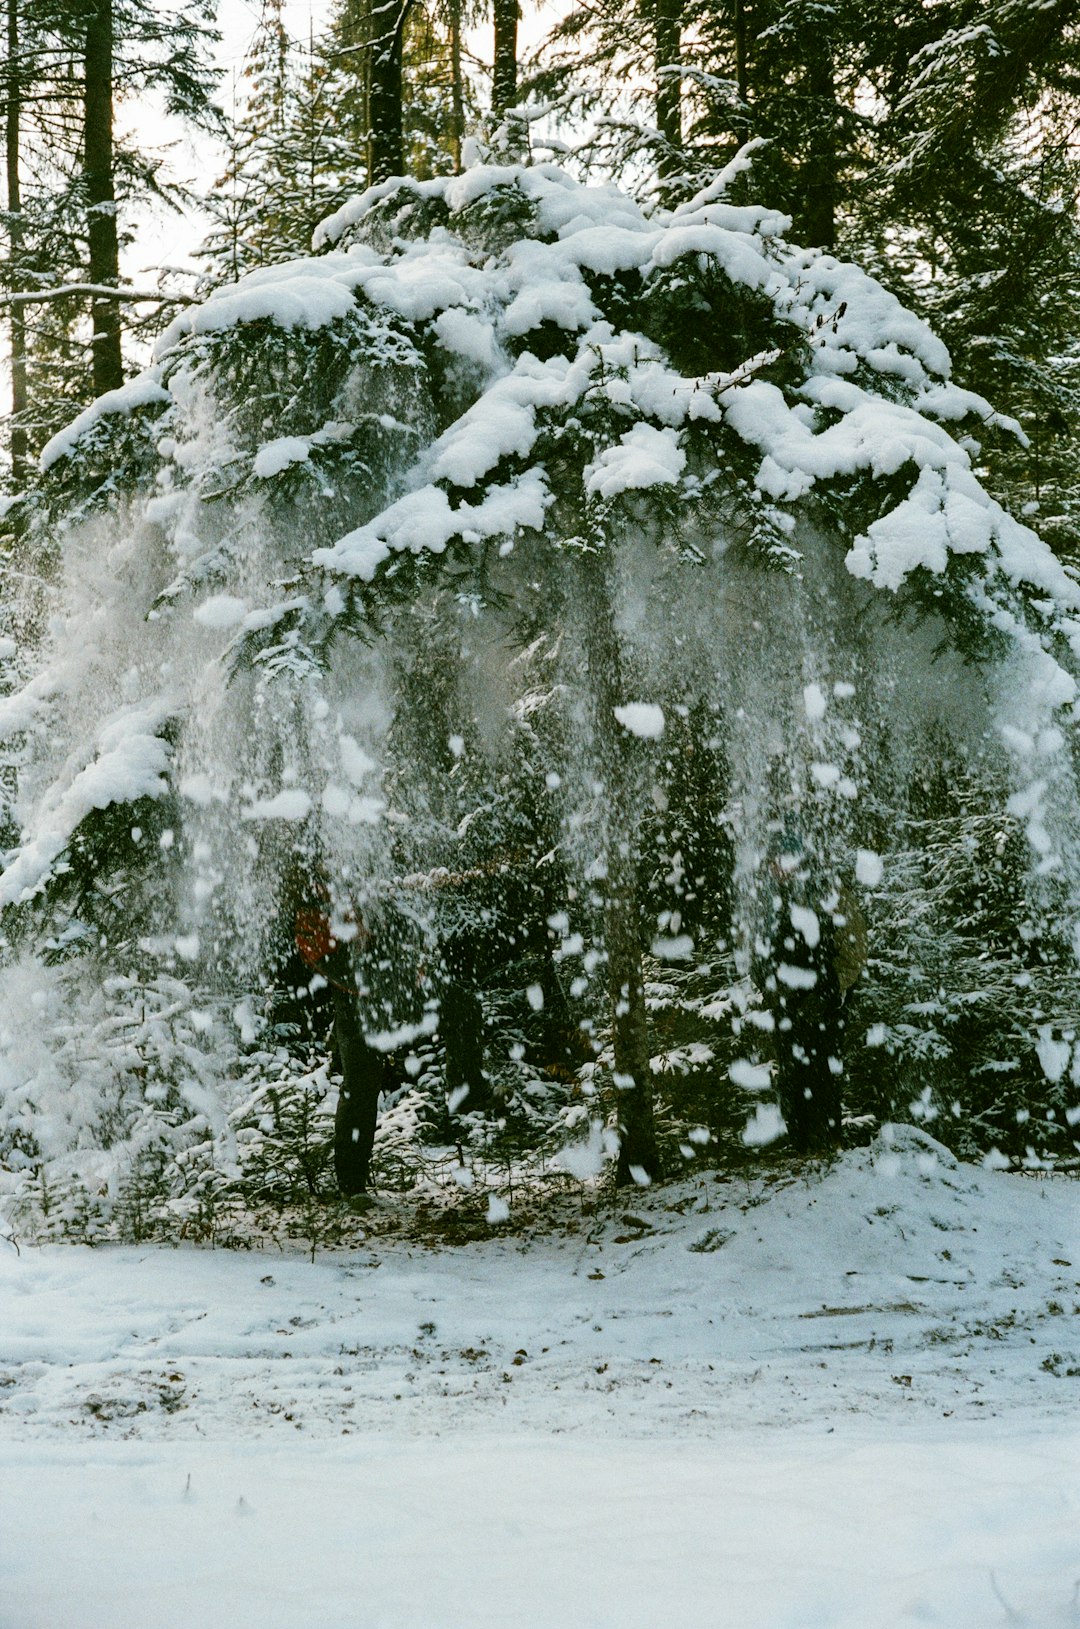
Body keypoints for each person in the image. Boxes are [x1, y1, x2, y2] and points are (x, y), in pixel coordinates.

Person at [755, 827, 866, 1153]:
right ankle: (801, 1146)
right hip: (786, 1004)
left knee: (822, 1079)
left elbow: (854, 948)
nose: (778, 867)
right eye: (774, 861)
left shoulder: (827, 891)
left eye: (783, 860)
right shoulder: (771, 898)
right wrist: (769, 987)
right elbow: (757, 950)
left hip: (822, 1004)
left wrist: (831, 990)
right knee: (791, 1079)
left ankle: (828, 1145)